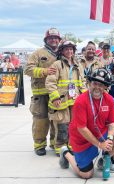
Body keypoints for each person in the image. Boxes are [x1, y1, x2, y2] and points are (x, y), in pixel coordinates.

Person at [59, 68, 114, 179]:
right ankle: (66, 153)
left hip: (100, 132)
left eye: (101, 85)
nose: (97, 87)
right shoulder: (81, 101)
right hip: (81, 138)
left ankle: (103, 161)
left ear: (106, 87)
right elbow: (82, 129)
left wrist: (109, 138)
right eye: (95, 83)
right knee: (86, 175)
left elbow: (113, 122)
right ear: (89, 83)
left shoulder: (109, 99)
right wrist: (100, 145)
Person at [45, 40, 86, 156]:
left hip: (75, 101)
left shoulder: (78, 65)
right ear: (62, 51)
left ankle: (72, 145)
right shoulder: (57, 64)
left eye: (71, 49)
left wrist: (84, 96)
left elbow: (83, 81)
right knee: (62, 125)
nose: (69, 51)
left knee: (74, 125)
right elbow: (50, 82)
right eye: (66, 49)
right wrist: (55, 98)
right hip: (61, 101)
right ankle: (61, 148)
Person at [24, 28, 61, 156]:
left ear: (59, 40)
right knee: (41, 120)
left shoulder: (61, 53)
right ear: (46, 40)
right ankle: (39, 145)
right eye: (51, 38)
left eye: (56, 38)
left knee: (56, 120)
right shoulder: (38, 53)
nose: (54, 40)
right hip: (40, 94)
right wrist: (44, 71)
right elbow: (28, 69)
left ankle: (55, 143)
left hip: (56, 93)